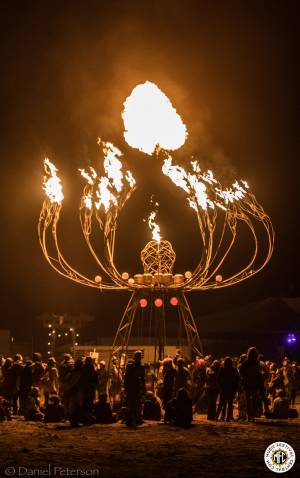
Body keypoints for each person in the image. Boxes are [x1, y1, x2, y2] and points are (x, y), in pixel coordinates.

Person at [240, 347, 269, 422]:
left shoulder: (246, 362)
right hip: (255, 383)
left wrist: (245, 377)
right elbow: (258, 372)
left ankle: (248, 417)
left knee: (248, 401)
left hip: (247, 382)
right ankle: (253, 416)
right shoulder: (258, 362)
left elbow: (242, 372)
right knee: (253, 400)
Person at [124, 351, 145, 426]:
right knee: (132, 405)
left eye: (138, 357)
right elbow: (126, 378)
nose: (138, 358)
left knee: (135, 404)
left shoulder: (140, 367)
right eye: (137, 357)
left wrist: (143, 391)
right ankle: (131, 419)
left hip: (135, 388)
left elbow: (142, 379)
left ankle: (134, 419)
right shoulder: (131, 366)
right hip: (132, 388)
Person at [216, 356, 240, 421]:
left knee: (221, 403)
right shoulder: (234, 369)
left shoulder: (222, 369)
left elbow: (217, 378)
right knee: (230, 404)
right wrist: (235, 388)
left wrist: (220, 385)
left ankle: (218, 416)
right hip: (231, 389)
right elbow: (238, 379)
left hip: (223, 388)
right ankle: (228, 417)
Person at [161, 357, 176, 423]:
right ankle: (169, 418)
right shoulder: (172, 371)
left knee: (168, 404)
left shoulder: (170, 373)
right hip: (169, 390)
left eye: (165, 366)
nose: (164, 367)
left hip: (169, 390)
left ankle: (168, 418)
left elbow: (169, 383)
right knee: (168, 404)